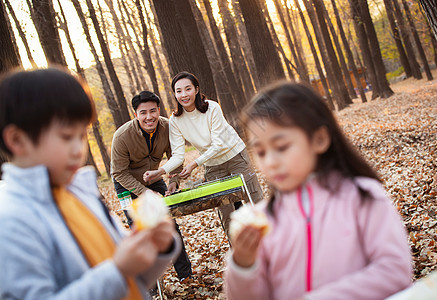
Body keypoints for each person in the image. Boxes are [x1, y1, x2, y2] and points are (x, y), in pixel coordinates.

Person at [0, 67, 181, 299]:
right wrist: (118, 270)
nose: (79, 150)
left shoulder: (82, 194)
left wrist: (159, 249)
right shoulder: (11, 219)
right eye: (66, 137)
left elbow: (133, 280)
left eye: (81, 136)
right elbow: (117, 273)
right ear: (17, 140)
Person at [225, 81, 413, 299]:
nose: (271, 162)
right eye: (260, 152)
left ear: (319, 139)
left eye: (282, 147)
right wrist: (242, 265)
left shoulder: (363, 196)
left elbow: (395, 271)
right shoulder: (264, 220)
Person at [143, 71, 264, 237]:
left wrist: (194, 164)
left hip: (235, 156)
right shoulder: (175, 120)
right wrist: (161, 171)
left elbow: (219, 144)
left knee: (254, 200)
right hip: (213, 166)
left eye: (188, 89)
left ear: (196, 89)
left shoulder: (212, 107)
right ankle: (240, 254)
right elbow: (178, 155)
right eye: (179, 91)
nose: (184, 94)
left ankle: (272, 244)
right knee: (225, 211)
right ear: (174, 94)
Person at [110, 91, 192, 282]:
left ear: (159, 110)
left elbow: (176, 157)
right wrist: (145, 193)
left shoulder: (167, 127)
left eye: (153, 111)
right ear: (136, 114)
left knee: (169, 223)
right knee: (139, 230)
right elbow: (118, 173)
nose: (149, 117)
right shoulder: (121, 136)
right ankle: (150, 284)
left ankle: (186, 275)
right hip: (125, 183)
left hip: (154, 177)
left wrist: (173, 181)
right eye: (143, 112)